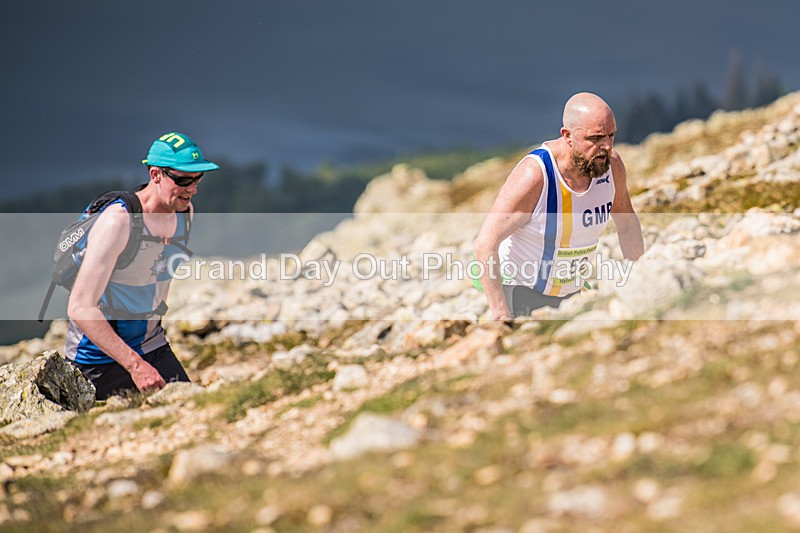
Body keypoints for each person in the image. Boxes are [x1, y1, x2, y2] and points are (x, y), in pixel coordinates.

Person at [66, 132, 219, 399]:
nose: (192, 189)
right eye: (183, 179)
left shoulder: (185, 214)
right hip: (95, 358)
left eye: (198, 178)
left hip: (151, 345)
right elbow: (80, 307)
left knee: (194, 415)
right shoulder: (118, 222)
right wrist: (135, 366)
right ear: (155, 174)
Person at [474, 93, 644, 319]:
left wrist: (640, 281)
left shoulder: (612, 166)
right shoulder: (535, 175)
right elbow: (485, 244)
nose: (606, 146)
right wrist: (501, 317)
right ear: (567, 136)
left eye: (611, 136)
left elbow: (627, 224)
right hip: (519, 292)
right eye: (596, 138)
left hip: (571, 294)